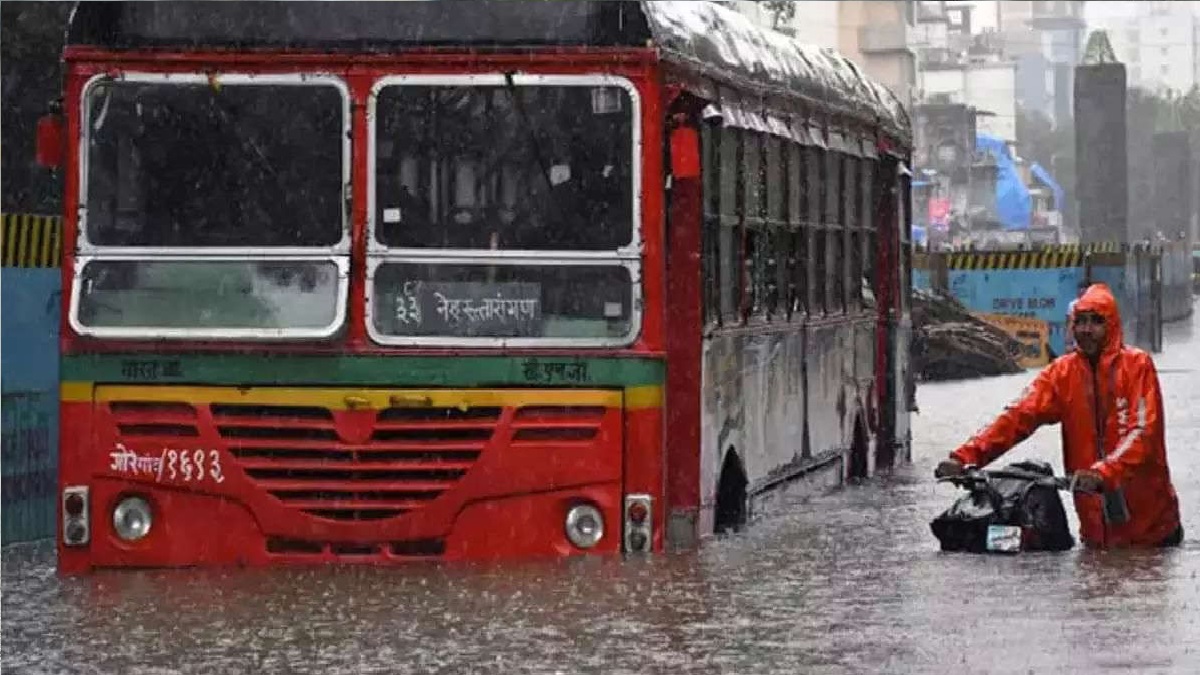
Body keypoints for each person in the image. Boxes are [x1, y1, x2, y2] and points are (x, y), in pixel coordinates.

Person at [935, 283, 1183, 548]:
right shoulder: (1062, 374)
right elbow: (1018, 416)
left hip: (1153, 535)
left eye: (1096, 322)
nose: (1086, 330)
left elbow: (1144, 433)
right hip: (1096, 538)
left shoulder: (1137, 366)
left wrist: (1104, 473)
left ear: (1112, 325)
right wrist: (964, 457)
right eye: (1080, 322)